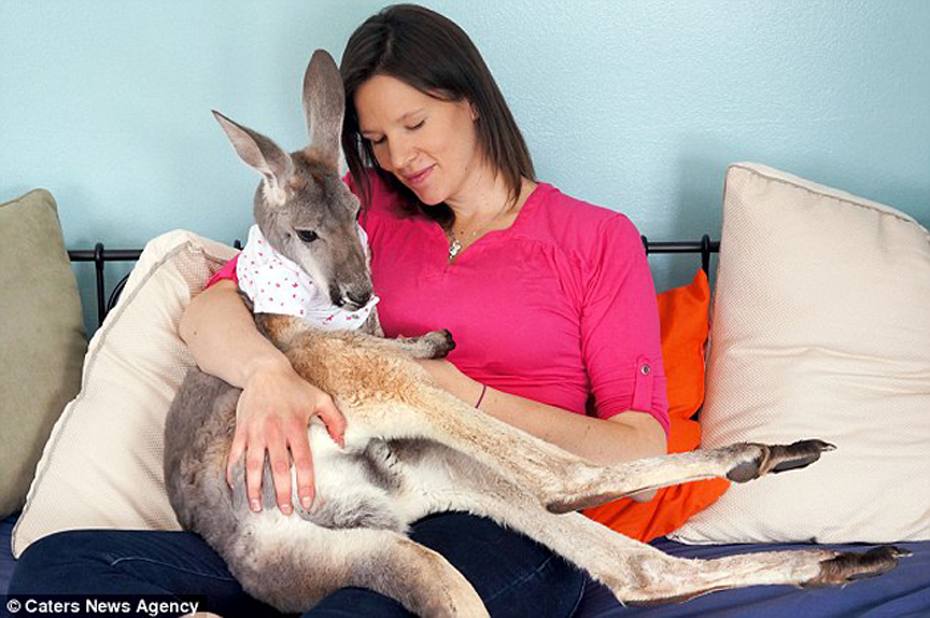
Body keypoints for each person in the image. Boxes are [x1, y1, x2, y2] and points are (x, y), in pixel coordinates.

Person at [10, 4, 668, 616]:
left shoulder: (594, 238)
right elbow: (208, 312)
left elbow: (640, 460)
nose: (399, 158)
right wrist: (269, 376)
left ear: (471, 101)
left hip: (498, 516)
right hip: (333, 502)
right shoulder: (357, 213)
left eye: (415, 124)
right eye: (377, 138)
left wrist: (462, 396)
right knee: (56, 572)